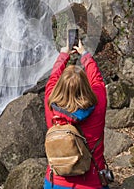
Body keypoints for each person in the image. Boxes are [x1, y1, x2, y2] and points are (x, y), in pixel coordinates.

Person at [44, 40, 109, 189]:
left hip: (56, 182)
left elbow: (52, 79)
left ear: (59, 88)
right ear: (86, 87)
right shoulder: (98, 103)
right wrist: (85, 55)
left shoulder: (50, 104)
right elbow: (97, 79)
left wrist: (63, 55)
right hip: (92, 182)